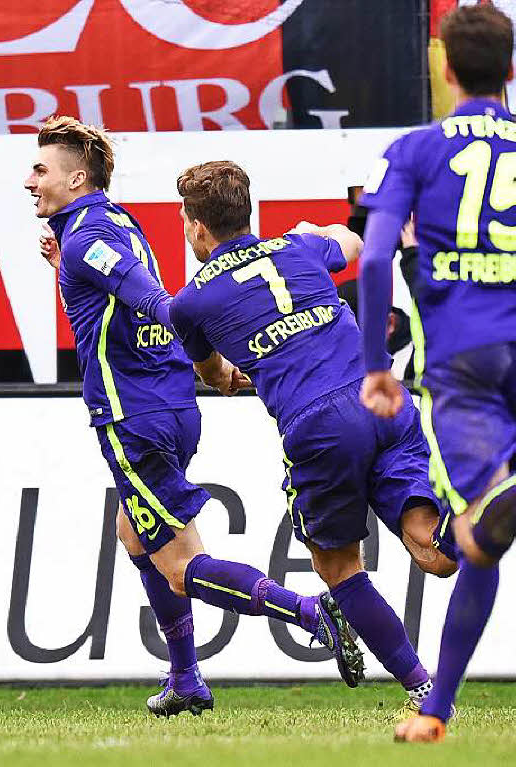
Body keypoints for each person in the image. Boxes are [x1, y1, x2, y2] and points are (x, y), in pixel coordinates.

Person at [27, 115, 365, 718]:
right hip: (170, 402)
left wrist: (78, 263)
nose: (30, 181)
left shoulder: (86, 240)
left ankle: (312, 612)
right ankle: (185, 677)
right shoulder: (112, 223)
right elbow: (124, 308)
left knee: (178, 565)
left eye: (41, 169)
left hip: (132, 414)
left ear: (76, 177)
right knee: (134, 532)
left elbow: (153, 300)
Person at [167, 160, 457, 716]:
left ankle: (423, 686)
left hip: (321, 424)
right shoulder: (296, 250)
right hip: (382, 397)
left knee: (336, 566)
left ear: (198, 226)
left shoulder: (191, 303)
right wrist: (315, 232)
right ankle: (479, 510)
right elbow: (350, 241)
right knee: (434, 553)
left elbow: (212, 375)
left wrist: (237, 374)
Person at [357, 4, 516, 743]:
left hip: (462, 365)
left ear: (445, 70)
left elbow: (374, 256)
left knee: (478, 533)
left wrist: (372, 368)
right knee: (477, 538)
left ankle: (435, 711)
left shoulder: (417, 149)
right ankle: (432, 711)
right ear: (511, 70)